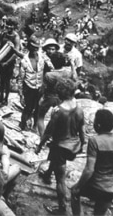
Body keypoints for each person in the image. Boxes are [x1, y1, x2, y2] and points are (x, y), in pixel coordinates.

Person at [36, 77, 85, 215]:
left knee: (60, 180)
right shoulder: (80, 109)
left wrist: (39, 146)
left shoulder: (58, 112)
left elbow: (47, 133)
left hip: (60, 147)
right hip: (73, 145)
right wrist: (82, 144)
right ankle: (47, 174)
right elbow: (82, 132)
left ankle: (62, 208)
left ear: (59, 93)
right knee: (56, 160)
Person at [71, 109, 113, 216]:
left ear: (98, 125)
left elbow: (89, 170)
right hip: (111, 189)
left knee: (74, 192)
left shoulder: (94, 141)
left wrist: (78, 186)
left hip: (96, 186)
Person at [18, 35, 53, 131]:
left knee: (38, 107)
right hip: (29, 87)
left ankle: (35, 126)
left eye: (36, 48)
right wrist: (21, 95)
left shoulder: (42, 57)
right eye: (33, 47)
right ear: (29, 46)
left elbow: (51, 66)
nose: (34, 49)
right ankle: (23, 124)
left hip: (39, 87)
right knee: (28, 107)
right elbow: (20, 79)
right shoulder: (24, 61)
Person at [0, 17, 21, 106]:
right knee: (1, 80)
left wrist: (7, 63)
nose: (9, 27)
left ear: (14, 26)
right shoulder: (4, 34)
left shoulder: (16, 37)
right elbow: (0, 46)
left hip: (9, 62)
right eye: (7, 24)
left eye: (11, 25)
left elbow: (16, 53)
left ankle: (5, 99)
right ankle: (0, 96)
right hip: (1, 60)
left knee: (7, 81)